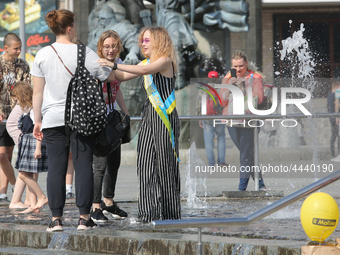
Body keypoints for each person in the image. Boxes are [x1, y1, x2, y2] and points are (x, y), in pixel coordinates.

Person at [31, 9, 116, 232]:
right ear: (69, 28)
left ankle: (56, 219)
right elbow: (108, 76)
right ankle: (83, 218)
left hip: (52, 118)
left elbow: (37, 93)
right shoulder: (85, 52)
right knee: (83, 165)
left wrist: (37, 120)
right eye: (75, 26)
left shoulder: (42, 55)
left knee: (56, 168)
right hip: (82, 118)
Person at [98, 26, 181, 223]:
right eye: (142, 40)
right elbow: (120, 77)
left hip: (164, 118)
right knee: (144, 164)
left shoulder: (164, 61)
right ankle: (147, 214)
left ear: (159, 41)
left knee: (165, 166)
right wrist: (101, 65)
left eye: (146, 40)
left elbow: (143, 70)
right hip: (148, 116)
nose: (142, 44)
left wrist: (115, 65)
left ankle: (170, 215)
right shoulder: (147, 62)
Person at [90, 30, 129, 223]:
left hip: (113, 117)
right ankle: (95, 206)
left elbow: (117, 90)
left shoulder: (118, 63)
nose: (111, 49)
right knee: (99, 164)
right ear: (100, 47)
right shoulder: (97, 65)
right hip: (98, 118)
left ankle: (109, 201)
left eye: (114, 46)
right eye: (107, 46)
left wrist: (125, 111)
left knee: (114, 161)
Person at [220, 50, 266, 191]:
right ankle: (261, 184)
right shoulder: (228, 77)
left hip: (250, 120)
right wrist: (230, 88)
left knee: (245, 154)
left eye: (241, 66)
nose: (238, 69)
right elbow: (222, 101)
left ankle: (241, 189)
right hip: (232, 121)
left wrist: (244, 86)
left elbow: (259, 99)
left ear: (246, 63)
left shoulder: (255, 77)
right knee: (246, 154)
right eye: (235, 66)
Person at [0, 33, 31, 201]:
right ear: (6, 48)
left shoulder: (23, 65)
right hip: (1, 114)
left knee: (9, 155)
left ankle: (3, 192)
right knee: (2, 155)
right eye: (16, 48)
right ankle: (14, 184)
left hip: (17, 114)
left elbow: (27, 87)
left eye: (20, 47)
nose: (19, 51)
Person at [10, 81, 48, 213]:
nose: (17, 103)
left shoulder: (33, 110)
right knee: (29, 175)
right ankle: (33, 206)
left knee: (23, 175)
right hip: (28, 142)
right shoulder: (27, 109)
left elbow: (39, 129)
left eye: (17, 100)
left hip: (33, 142)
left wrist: (38, 148)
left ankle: (42, 197)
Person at [199, 70, 228, 167]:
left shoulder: (203, 88)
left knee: (208, 141)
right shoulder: (221, 88)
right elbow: (225, 102)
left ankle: (211, 163)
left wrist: (199, 116)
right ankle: (221, 162)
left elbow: (199, 103)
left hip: (207, 117)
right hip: (219, 116)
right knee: (221, 138)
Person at [328, 81, 340, 158]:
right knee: (337, 136)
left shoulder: (329, 95)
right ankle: (337, 154)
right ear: (336, 86)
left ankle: (333, 154)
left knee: (334, 136)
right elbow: (336, 105)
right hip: (336, 118)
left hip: (332, 118)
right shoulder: (335, 95)